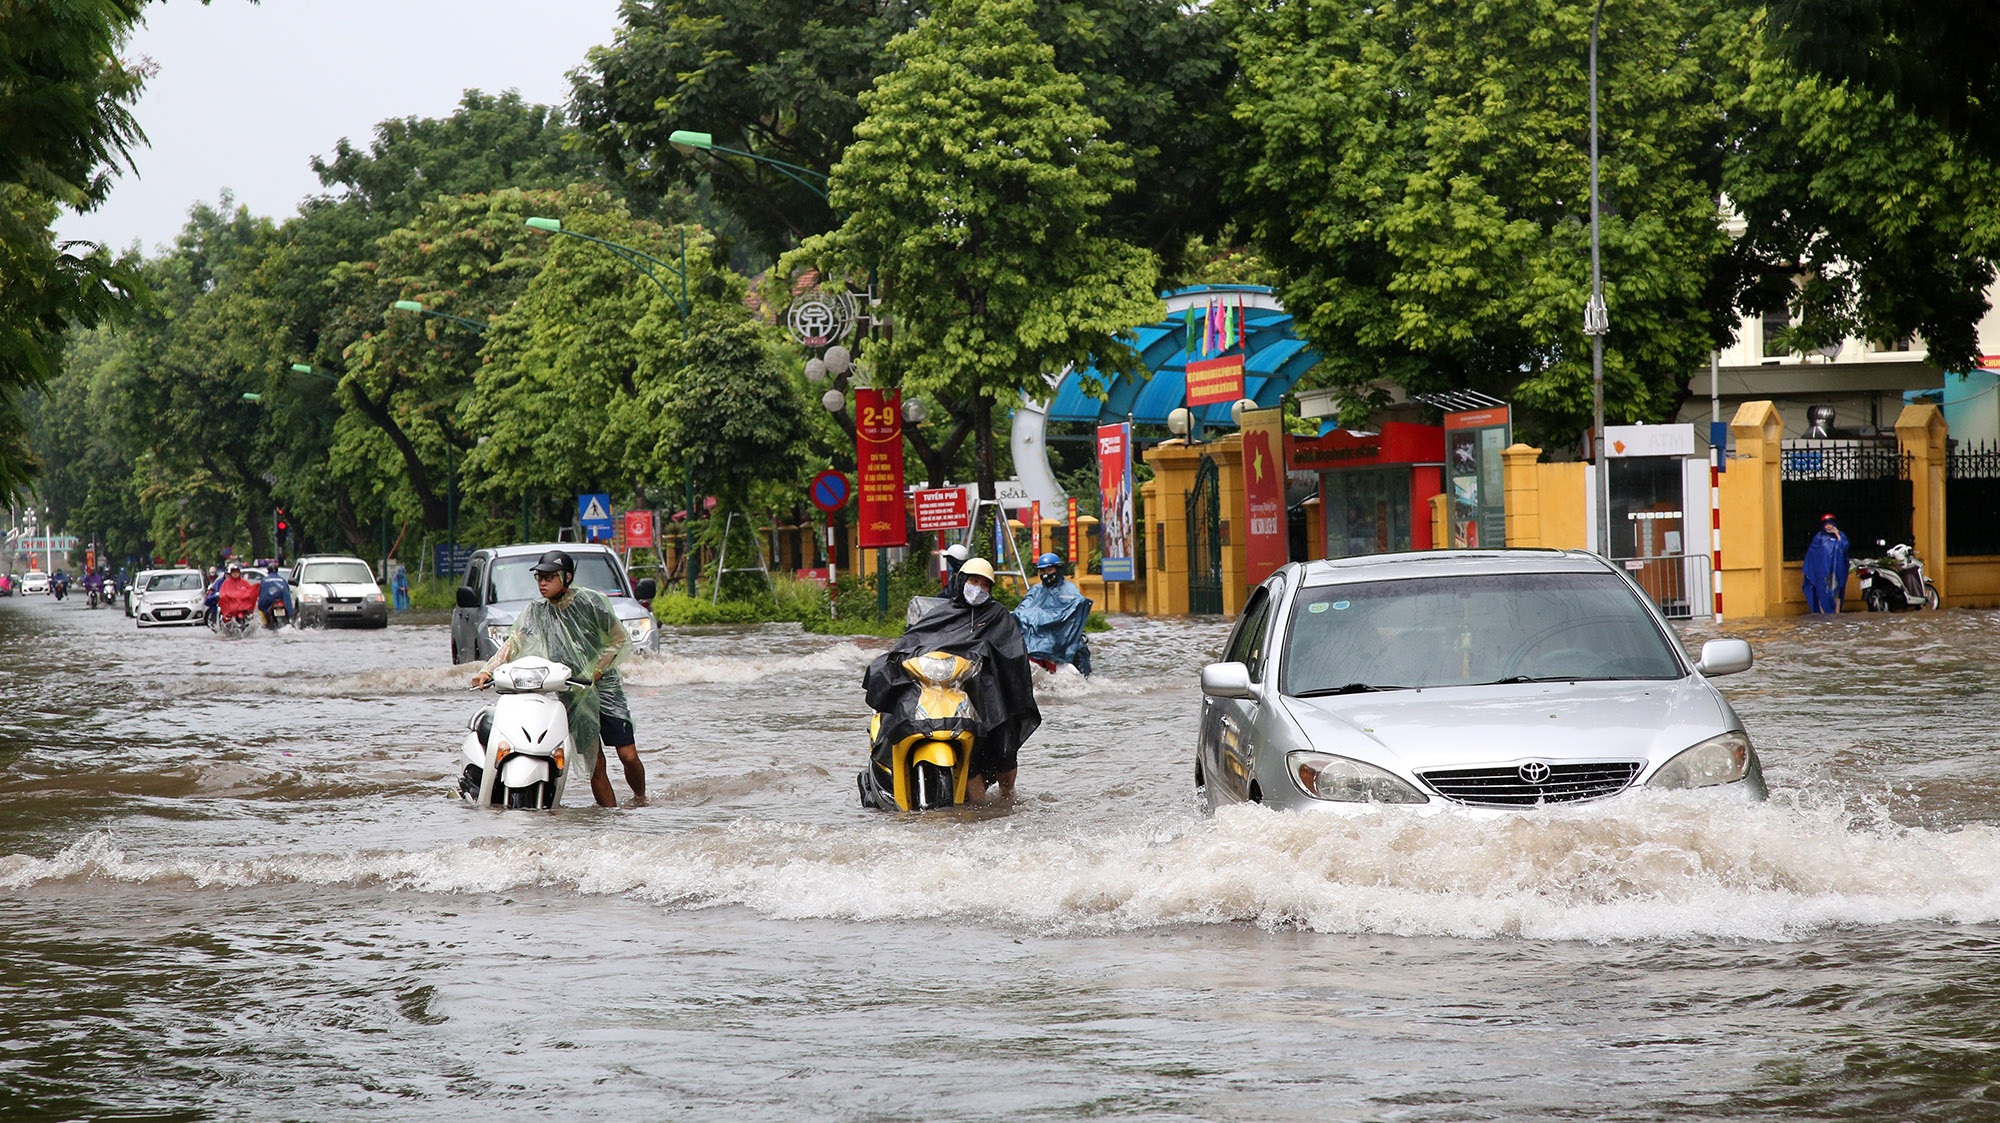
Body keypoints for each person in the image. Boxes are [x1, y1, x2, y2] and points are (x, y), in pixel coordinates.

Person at [471, 550, 644, 808]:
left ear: (567, 578)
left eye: (549, 577)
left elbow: (618, 639)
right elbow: (514, 642)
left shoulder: (591, 603)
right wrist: (488, 670)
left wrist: (595, 671)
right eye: (540, 577)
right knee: (595, 765)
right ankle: (612, 819)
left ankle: (641, 800)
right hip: (572, 692)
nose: (543, 583)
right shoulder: (537, 611)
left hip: (604, 687)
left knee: (628, 756)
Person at [865, 556, 1040, 803]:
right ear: (962, 581)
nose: (977, 588)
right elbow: (913, 641)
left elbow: (1011, 656)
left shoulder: (998, 616)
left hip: (988, 696)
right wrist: (900, 658)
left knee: (1003, 749)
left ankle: (1006, 798)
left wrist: (986, 663)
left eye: (984, 584)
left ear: (990, 588)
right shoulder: (942, 613)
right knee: (971, 761)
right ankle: (977, 807)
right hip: (947, 690)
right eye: (973, 580)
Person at [1014, 552, 1093, 675]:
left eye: (1049, 569)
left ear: (1058, 570)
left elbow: (1072, 611)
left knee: (1079, 650)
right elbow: (1022, 610)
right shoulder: (1036, 590)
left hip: (1061, 636)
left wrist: (1044, 617)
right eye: (1042, 570)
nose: (1046, 574)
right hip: (1037, 636)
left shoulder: (1069, 590)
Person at [1802, 513, 1850, 614]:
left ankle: (1837, 613)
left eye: (1830, 524)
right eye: (1826, 524)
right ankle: (1823, 614)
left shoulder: (1841, 536)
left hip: (1836, 571)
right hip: (1822, 573)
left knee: (1836, 593)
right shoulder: (1819, 538)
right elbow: (1812, 554)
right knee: (1822, 593)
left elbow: (1844, 548)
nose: (1828, 526)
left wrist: (1837, 535)